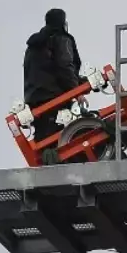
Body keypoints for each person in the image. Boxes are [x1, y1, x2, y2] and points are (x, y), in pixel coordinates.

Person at [23, 8, 82, 153]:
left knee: (44, 142)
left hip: (35, 101)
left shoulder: (33, 46)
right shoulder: (61, 39)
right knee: (60, 142)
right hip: (55, 100)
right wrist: (77, 91)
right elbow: (65, 67)